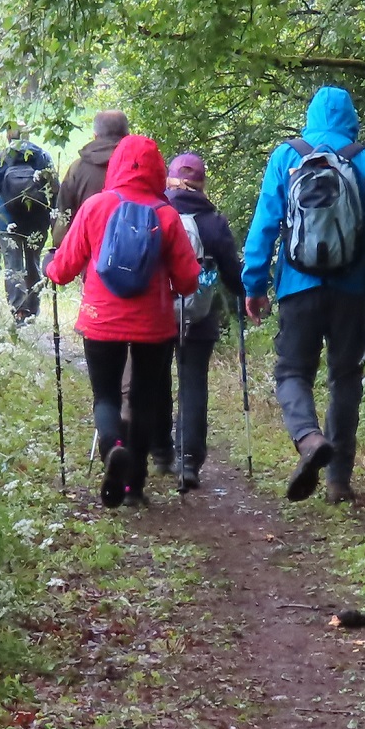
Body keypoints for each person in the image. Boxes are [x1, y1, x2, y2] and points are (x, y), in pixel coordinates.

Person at [240, 86, 365, 504]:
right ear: (352, 118)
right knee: (345, 379)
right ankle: (338, 481)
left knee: (292, 372)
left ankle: (309, 438)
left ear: (310, 116)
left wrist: (254, 286)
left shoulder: (287, 157)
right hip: (353, 290)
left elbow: (264, 225)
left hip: (298, 288)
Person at [44, 132, 201, 507]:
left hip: (101, 319)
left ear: (116, 166)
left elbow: (62, 271)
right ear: (158, 170)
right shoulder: (166, 215)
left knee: (106, 395)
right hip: (153, 325)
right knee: (144, 400)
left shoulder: (95, 207)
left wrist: (50, 265)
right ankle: (133, 489)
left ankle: (113, 447)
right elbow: (187, 280)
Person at [162, 152, 245, 491]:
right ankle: (188, 460)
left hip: (156, 313)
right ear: (202, 183)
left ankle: (160, 451)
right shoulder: (213, 222)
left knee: (155, 380)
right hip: (198, 314)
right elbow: (232, 273)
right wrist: (245, 296)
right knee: (193, 383)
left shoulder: (156, 213)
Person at [0, 125, 56, 325]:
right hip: (38, 220)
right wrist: (53, 215)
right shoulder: (43, 156)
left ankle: (19, 311)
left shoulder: (1, 158)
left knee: (13, 265)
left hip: (8, 220)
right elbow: (55, 188)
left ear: (8, 137)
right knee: (33, 263)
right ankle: (33, 309)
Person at [54, 109, 130, 232]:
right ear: (128, 135)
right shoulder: (140, 164)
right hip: (135, 241)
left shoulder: (77, 168)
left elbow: (63, 217)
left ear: (95, 136)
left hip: (87, 240)